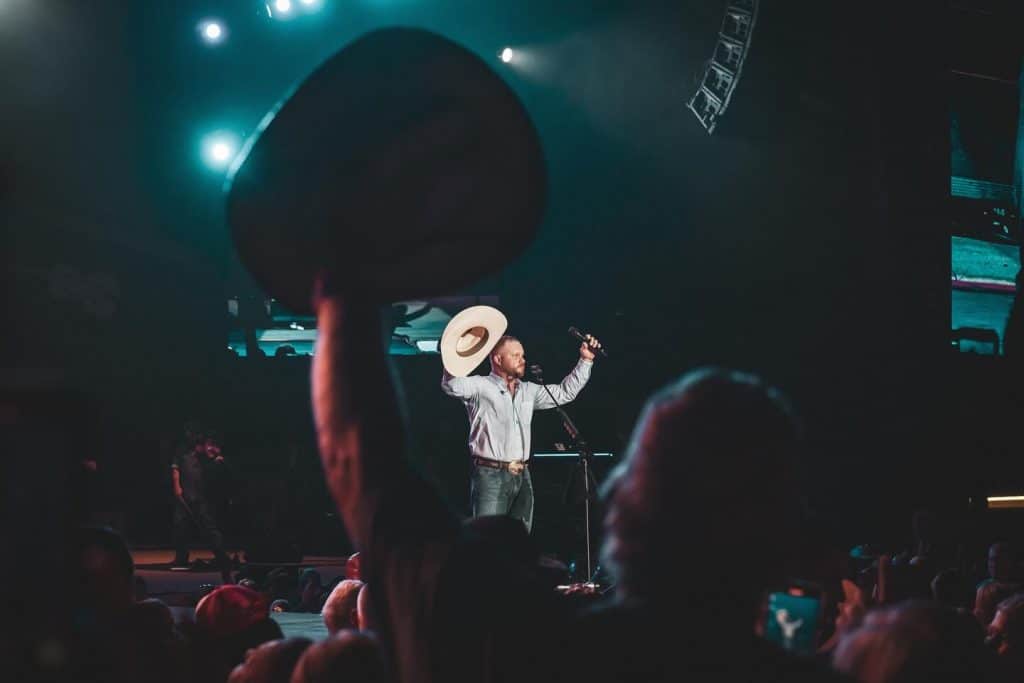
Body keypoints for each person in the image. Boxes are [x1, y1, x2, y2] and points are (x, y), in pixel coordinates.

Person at [440, 333, 600, 531]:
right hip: (490, 475)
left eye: (522, 355)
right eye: (515, 355)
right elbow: (451, 385)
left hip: (523, 475)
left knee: (520, 542)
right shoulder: (480, 386)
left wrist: (586, 359)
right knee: (488, 539)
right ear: (498, 359)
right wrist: (455, 356)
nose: (522, 360)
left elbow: (564, 392)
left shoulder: (528, 390)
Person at [171, 427, 231, 575]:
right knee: (180, 526)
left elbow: (215, 457)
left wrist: (216, 457)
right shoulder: (182, 452)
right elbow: (175, 469)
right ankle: (181, 558)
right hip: (185, 494)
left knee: (208, 527)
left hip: (200, 495)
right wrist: (177, 487)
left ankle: (222, 556)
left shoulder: (204, 451)